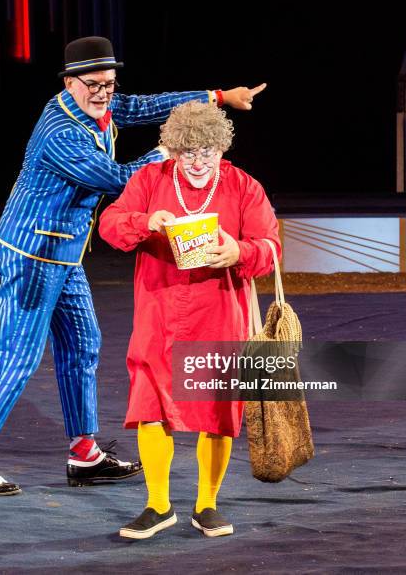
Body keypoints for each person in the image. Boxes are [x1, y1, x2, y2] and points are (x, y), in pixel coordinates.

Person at [0, 36, 267, 495]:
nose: (105, 94)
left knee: (83, 345)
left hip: (65, 251)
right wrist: (167, 153)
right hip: (30, 252)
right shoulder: (60, 134)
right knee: (19, 353)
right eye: (95, 85)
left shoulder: (103, 105)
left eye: (111, 84)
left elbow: (144, 105)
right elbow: (118, 179)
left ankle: (84, 454)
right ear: (69, 82)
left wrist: (217, 96)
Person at [98, 101, 280, 539]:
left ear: (221, 148)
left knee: (217, 409)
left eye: (207, 152)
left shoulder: (242, 186)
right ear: (172, 150)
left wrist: (240, 252)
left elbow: (271, 246)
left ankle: (207, 504)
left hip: (219, 313)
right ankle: (158, 505)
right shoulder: (149, 180)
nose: (198, 163)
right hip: (159, 311)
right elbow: (110, 224)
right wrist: (147, 222)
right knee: (150, 405)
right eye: (188, 153)